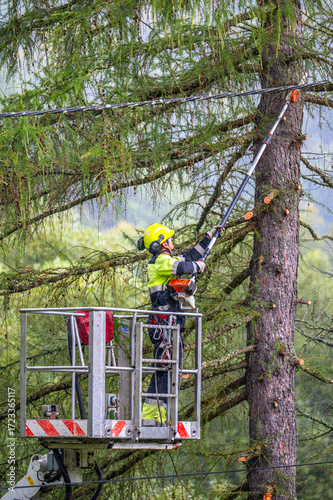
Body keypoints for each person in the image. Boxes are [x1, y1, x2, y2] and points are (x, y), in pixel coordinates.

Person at [137, 223, 223, 425]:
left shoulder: (166, 260)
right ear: (163, 242)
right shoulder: (160, 261)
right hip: (163, 325)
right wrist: (198, 268)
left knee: (169, 370)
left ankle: (158, 415)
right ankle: (152, 417)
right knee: (165, 369)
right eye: (169, 238)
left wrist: (208, 238)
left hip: (170, 325)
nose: (172, 241)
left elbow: (189, 257)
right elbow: (182, 266)